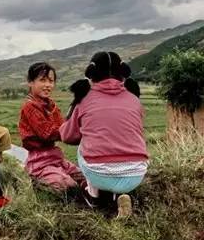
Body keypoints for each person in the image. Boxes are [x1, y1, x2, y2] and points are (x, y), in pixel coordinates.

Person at [59, 52, 149, 217]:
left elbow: (67, 136)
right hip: (135, 174)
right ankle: (119, 196)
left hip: (99, 174)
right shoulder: (134, 99)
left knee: (84, 144)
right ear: (122, 72)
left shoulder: (84, 100)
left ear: (92, 73)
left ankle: (93, 195)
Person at [18, 62, 84, 191]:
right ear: (30, 82)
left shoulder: (51, 105)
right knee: (67, 185)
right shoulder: (29, 106)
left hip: (55, 157)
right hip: (39, 161)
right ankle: (36, 180)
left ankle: (92, 193)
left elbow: (62, 126)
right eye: (42, 80)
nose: (48, 85)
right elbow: (48, 133)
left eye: (51, 81)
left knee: (84, 176)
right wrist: (76, 130)